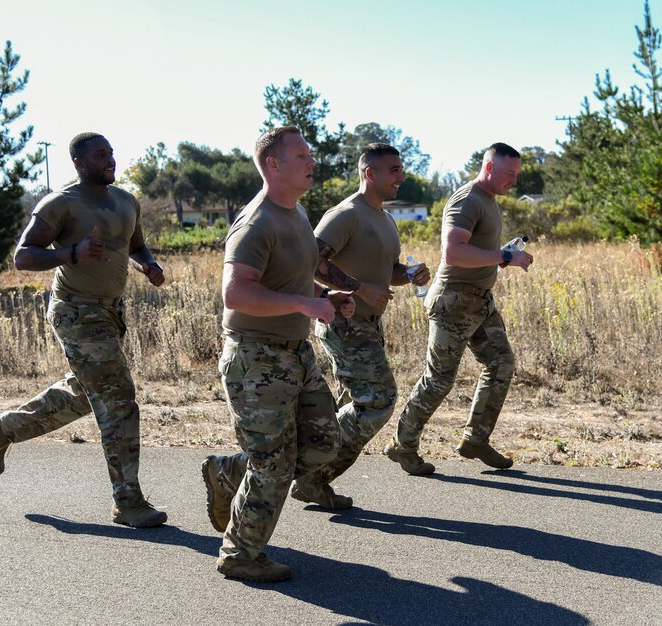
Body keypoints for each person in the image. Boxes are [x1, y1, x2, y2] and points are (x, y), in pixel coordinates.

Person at [0, 132, 169, 528]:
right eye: (101, 155)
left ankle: (6, 427)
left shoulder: (126, 201)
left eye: (112, 153)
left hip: (111, 312)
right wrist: (71, 253)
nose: (110, 160)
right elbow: (24, 256)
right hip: (76, 311)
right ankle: (128, 501)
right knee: (118, 400)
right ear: (80, 163)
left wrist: (148, 266)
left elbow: (135, 246)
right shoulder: (61, 203)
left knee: (88, 394)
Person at [200, 126, 355, 583]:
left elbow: (288, 282)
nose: (312, 161)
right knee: (274, 463)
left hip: (295, 352)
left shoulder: (297, 214)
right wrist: (306, 305)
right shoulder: (256, 223)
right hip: (256, 359)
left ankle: (229, 471)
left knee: (323, 443)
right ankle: (240, 554)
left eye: (310, 154)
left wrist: (326, 294)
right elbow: (236, 293)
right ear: (273, 165)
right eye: (302, 155)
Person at [290, 143, 430, 509]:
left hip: (369, 325)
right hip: (343, 322)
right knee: (378, 401)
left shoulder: (384, 218)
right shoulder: (345, 214)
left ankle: (314, 477)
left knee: (356, 403)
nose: (401, 176)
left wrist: (410, 274)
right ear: (370, 174)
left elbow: (387, 273)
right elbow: (312, 262)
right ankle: (305, 470)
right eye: (394, 170)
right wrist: (357, 288)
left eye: (401, 169)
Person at [385, 142, 533, 475]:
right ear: (489, 167)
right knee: (439, 379)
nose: (514, 181)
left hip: (480, 300)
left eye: (517, 174)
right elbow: (453, 252)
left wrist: (500, 257)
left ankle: (475, 439)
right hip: (453, 301)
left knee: (501, 363)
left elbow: (477, 253)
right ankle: (402, 444)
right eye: (509, 174)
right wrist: (505, 256)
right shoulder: (466, 199)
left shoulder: (489, 201)